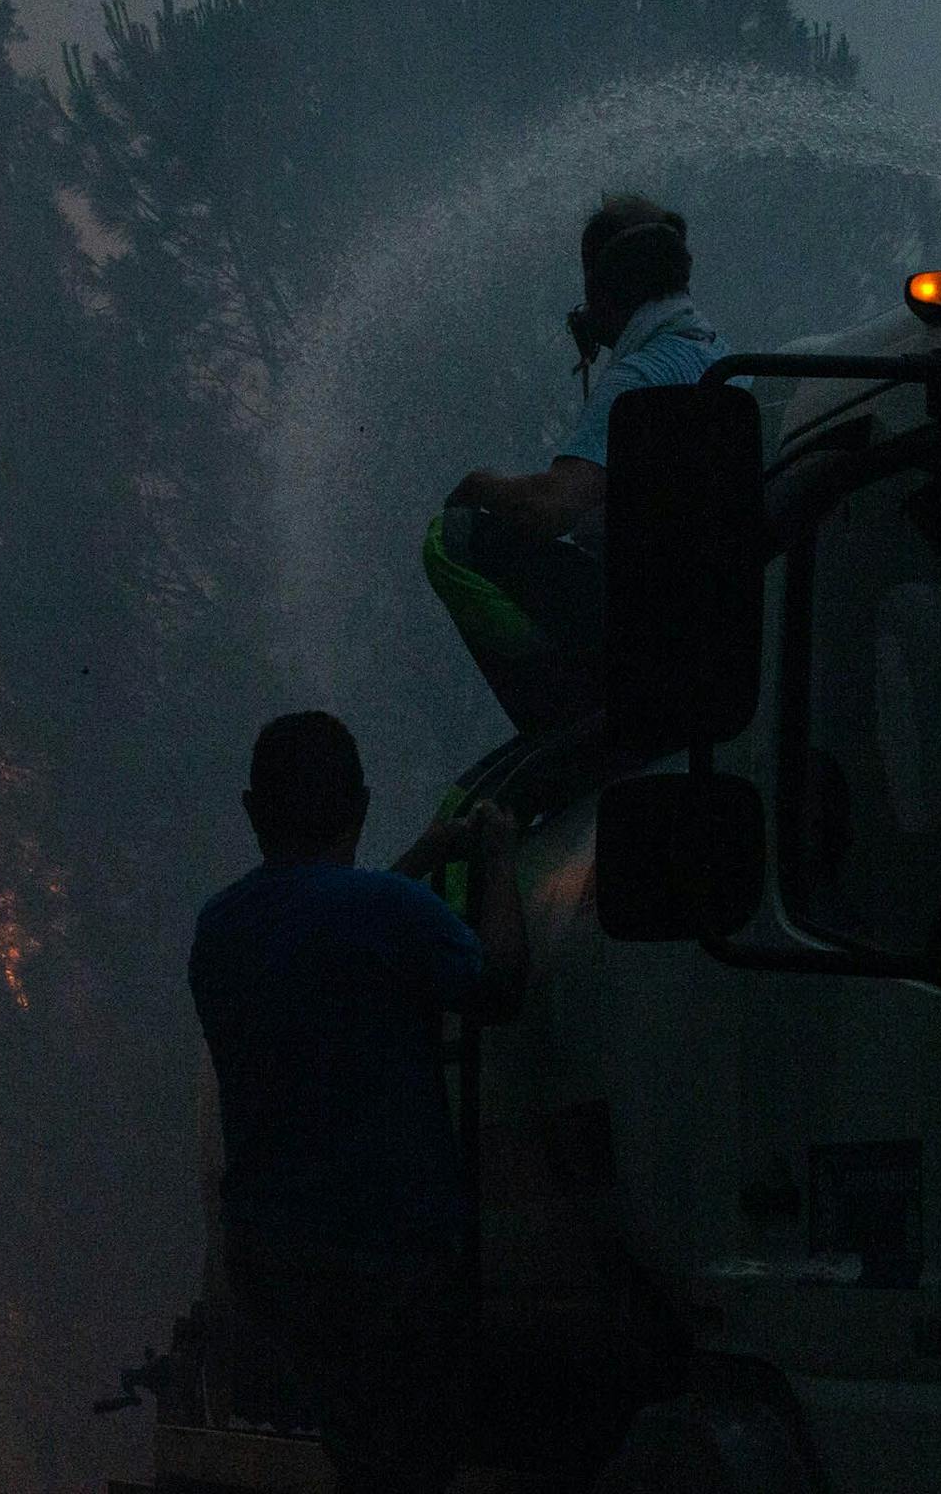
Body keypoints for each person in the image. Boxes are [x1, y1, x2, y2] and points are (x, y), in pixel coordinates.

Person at [189, 710, 527, 1494]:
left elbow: (332, 925)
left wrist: (425, 856)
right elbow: (499, 985)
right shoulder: (391, 917)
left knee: (363, 1455)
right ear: (363, 806)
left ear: (251, 810)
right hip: (387, 1262)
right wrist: (500, 860)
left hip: (275, 1262)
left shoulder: (221, 928)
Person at [423, 194, 734, 733]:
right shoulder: (721, 361)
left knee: (451, 539)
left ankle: (572, 717)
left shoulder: (636, 377)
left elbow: (554, 508)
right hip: (710, 625)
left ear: (604, 291)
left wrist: (482, 487)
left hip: (644, 630)